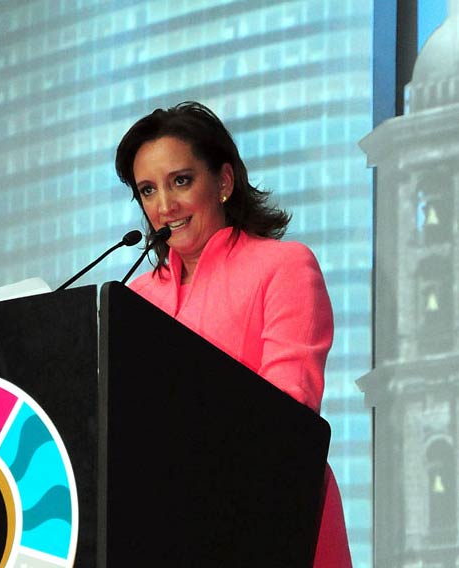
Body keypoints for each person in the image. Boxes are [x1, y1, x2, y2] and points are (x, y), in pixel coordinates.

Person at [115, 101, 352, 567]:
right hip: (162, 531)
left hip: (273, 521)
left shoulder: (283, 267)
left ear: (224, 182)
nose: (165, 206)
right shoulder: (134, 297)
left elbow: (290, 414)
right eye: (148, 190)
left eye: (181, 181)